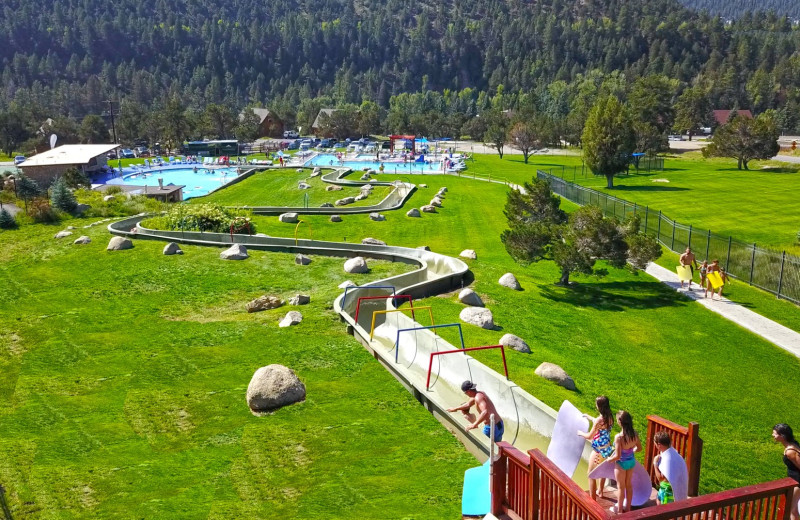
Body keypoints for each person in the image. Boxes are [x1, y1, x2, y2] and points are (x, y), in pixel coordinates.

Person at [577, 396, 615, 501]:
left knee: (591, 474)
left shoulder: (600, 419)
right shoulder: (610, 416)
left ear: (600, 406)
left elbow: (589, 436)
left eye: (596, 404)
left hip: (598, 451)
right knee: (602, 471)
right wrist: (589, 417)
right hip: (607, 448)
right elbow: (599, 423)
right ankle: (600, 491)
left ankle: (592, 500)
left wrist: (580, 433)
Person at [607, 411, 642, 514]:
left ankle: (620, 510)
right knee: (628, 485)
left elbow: (617, 456)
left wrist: (610, 459)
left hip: (621, 464)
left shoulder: (619, 437)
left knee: (620, 487)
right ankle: (628, 508)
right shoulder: (634, 434)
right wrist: (632, 451)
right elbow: (639, 448)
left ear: (620, 422)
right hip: (631, 462)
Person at [773, 424, 800, 520]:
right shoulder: (792, 444)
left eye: (775, 433)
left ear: (782, 436)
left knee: (792, 510)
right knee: (792, 508)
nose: (773, 435)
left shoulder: (790, 451)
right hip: (794, 481)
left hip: (797, 482)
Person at [652, 432, 676, 504]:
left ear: (659, 445)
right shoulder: (671, 452)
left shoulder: (667, 459)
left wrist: (655, 464)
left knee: (664, 510)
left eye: (655, 443)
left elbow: (661, 478)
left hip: (667, 489)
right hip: (668, 487)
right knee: (658, 499)